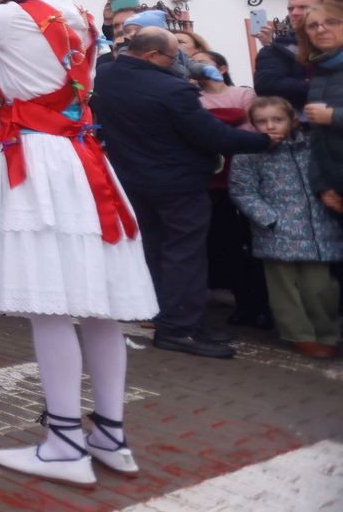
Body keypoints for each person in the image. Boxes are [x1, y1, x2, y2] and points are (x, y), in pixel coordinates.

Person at [0, 0, 154, 487]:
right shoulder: (81, 15)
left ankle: (63, 442)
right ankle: (110, 434)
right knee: (98, 305)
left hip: (37, 157)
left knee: (51, 304)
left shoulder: (14, 18)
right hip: (83, 158)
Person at [90, 28, 270, 359]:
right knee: (184, 255)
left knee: (157, 252)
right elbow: (212, 137)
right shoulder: (172, 89)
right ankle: (181, 328)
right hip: (178, 184)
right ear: (152, 56)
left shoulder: (106, 77)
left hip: (133, 181)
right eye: (174, 58)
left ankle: (172, 318)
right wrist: (264, 140)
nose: (180, 64)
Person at [229, 97, 343, 358]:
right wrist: (271, 219)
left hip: (318, 229)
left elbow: (330, 173)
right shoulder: (249, 153)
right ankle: (299, 335)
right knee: (285, 289)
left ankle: (326, 333)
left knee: (322, 287)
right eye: (262, 121)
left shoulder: (312, 146)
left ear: (292, 120)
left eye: (277, 120)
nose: (270, 126)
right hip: (276, 232)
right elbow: (242, 191)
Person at [192, 51, 268, 327]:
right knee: (227, 243)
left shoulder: (244, 95)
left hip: (245, 173)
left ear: (222, 68)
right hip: (214, 181)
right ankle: (243, 302)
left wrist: (215, 125)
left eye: (205, 61)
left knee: (254, 240)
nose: (198, 65)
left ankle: (261, 304)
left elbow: (251, 129)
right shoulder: (192, 99)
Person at [300, 0, 343, 215]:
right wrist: (323, 186)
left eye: (332, 22)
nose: (321, 29)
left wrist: (333, 116)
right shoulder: (320, 72)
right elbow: (317, 138)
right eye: (313, 26)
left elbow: (326, 119)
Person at [255, 0, 324, 108]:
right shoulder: (277, 48)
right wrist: (320, 87)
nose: (294, 13)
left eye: (303, 7)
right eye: (290, 9)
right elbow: (266, 85)